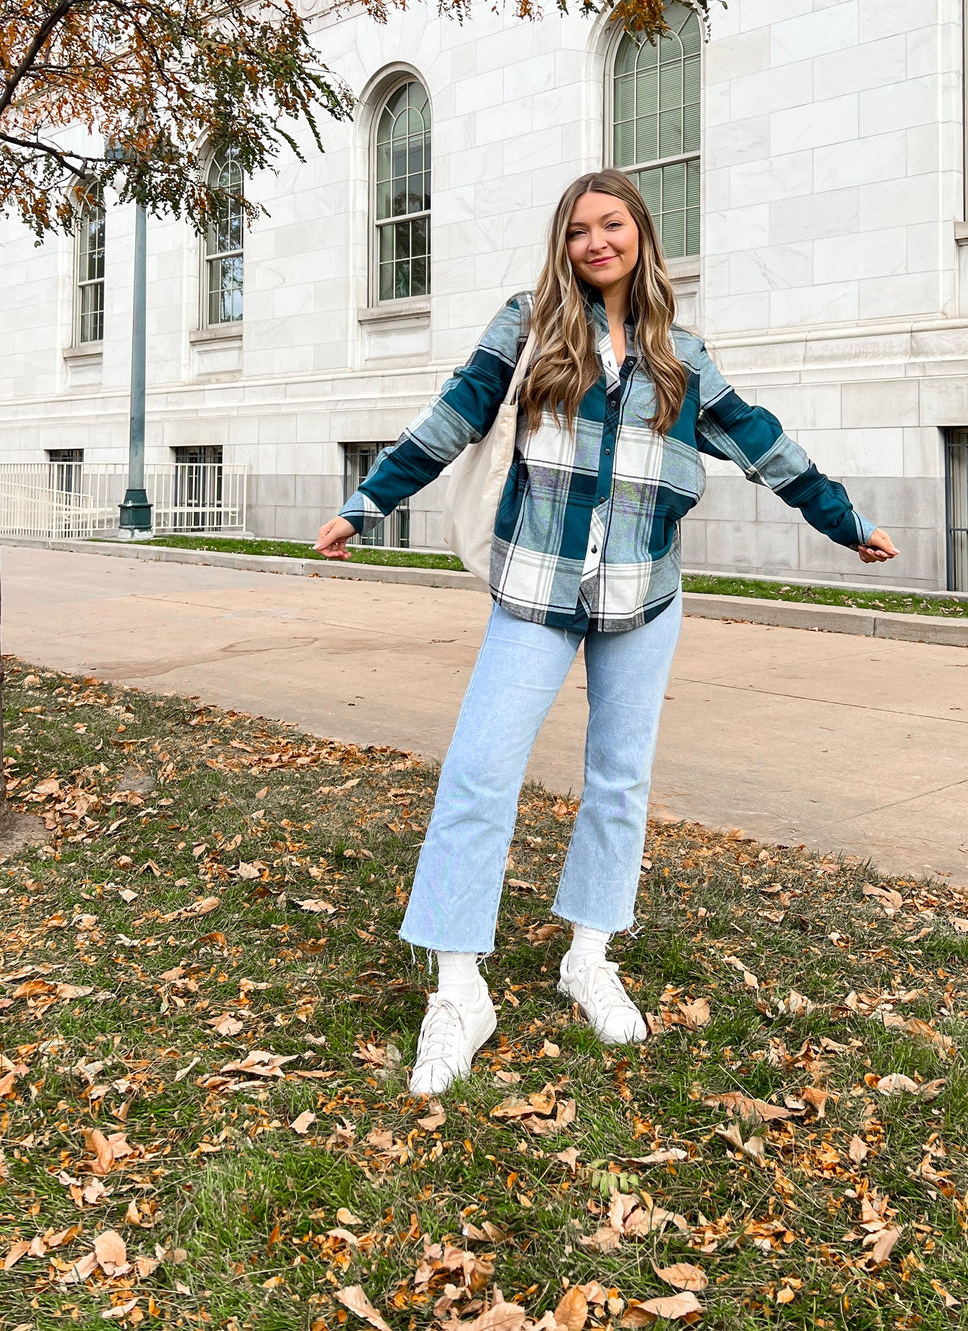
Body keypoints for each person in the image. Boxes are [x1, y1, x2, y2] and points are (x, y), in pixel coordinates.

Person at [314, 169, 898, 1094]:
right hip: (535, 590)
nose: (596, 242)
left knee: (618, 781)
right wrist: (367, 503)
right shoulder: (528, 328)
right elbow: (450, 420)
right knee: (478, 773)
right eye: (579, 229)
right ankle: (460, 990)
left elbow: (764, 445)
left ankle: (589, 955)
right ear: (564, 243)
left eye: (611, 225)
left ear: (641, 235)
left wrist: (844, 519)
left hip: (643, 595)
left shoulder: (683, 358)